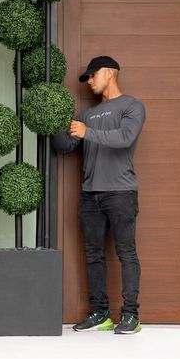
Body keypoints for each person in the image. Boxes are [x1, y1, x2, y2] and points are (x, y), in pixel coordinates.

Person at [52, 56, 146, 335]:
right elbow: (64, 147)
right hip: (90, 195)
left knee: (126, 253)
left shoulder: (132, 106)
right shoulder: (85, 115)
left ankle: (130, 315)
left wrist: (88, 132)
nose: (89, 81)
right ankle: (100, 313)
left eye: (92, 75)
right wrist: (53, 121)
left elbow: (125, 138)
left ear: (109, 72)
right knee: (93, 255)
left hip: (121, 193)